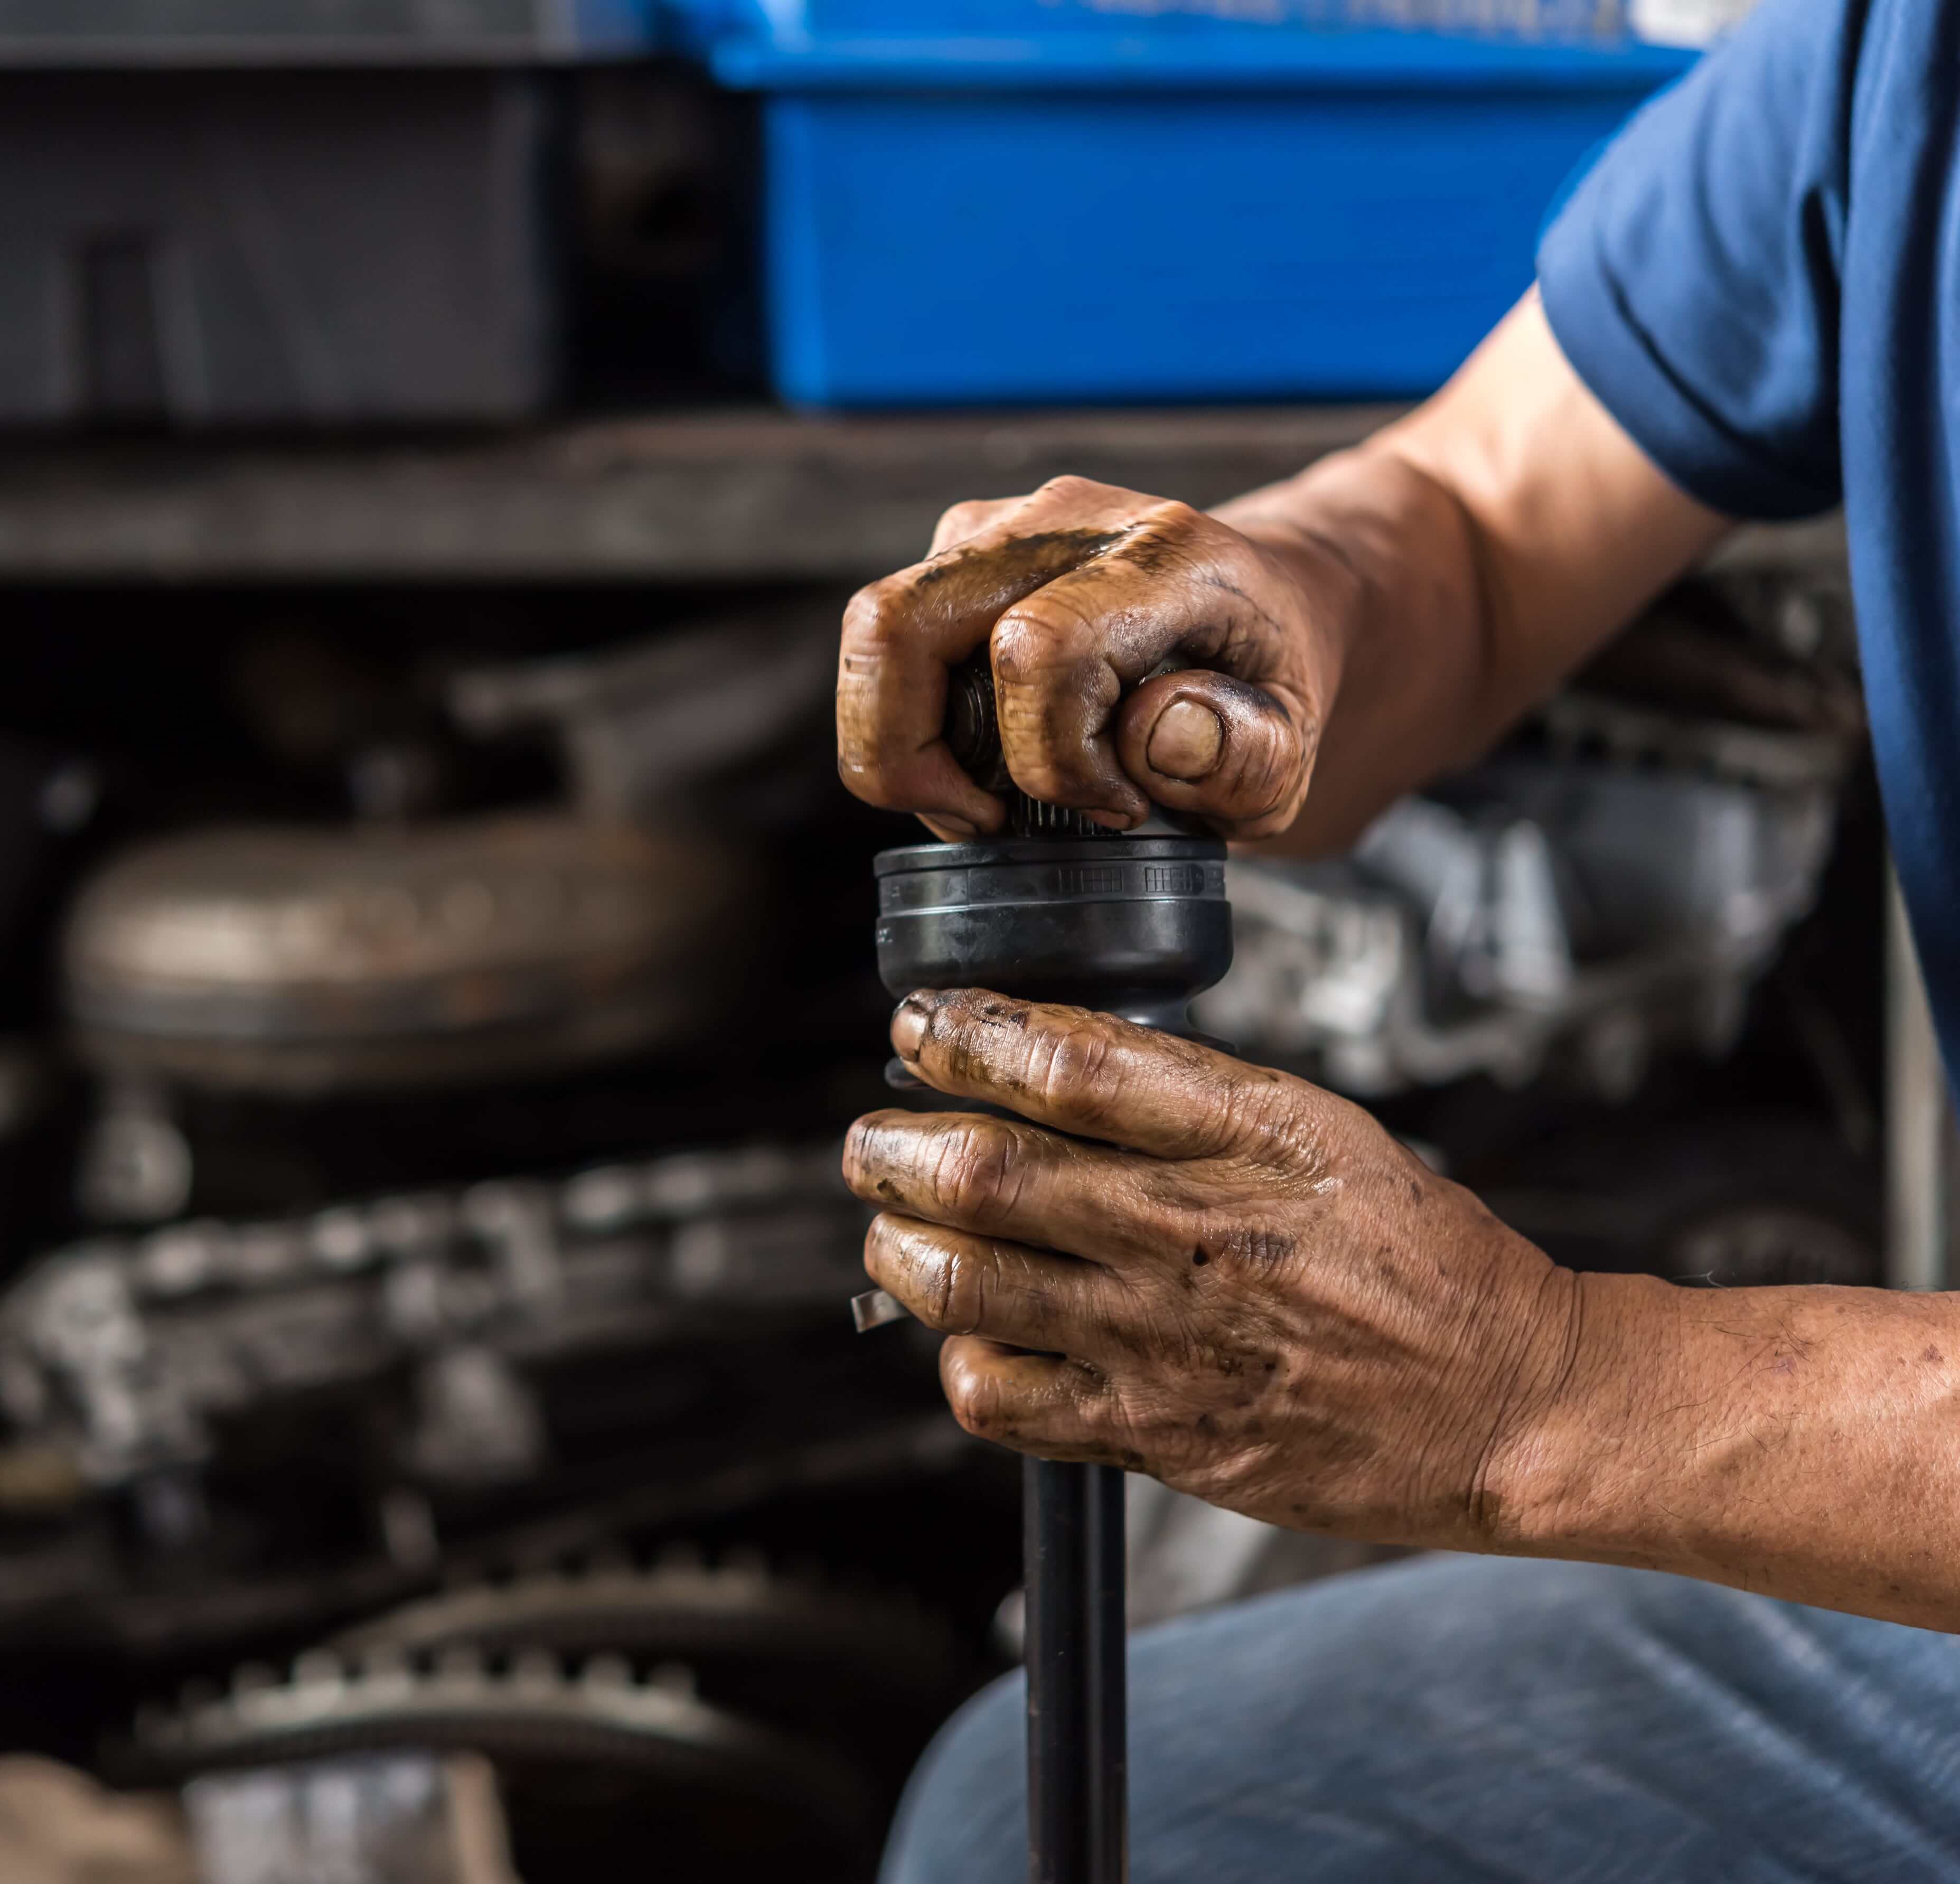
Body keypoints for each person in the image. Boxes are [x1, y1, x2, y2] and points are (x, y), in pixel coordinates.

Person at [835, 0, 1960, 1875]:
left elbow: (1558, 1398)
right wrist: (1258, 607)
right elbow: (1481, 519)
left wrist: (1554, 1388)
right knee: (1086, 1818)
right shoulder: (1897, 62)